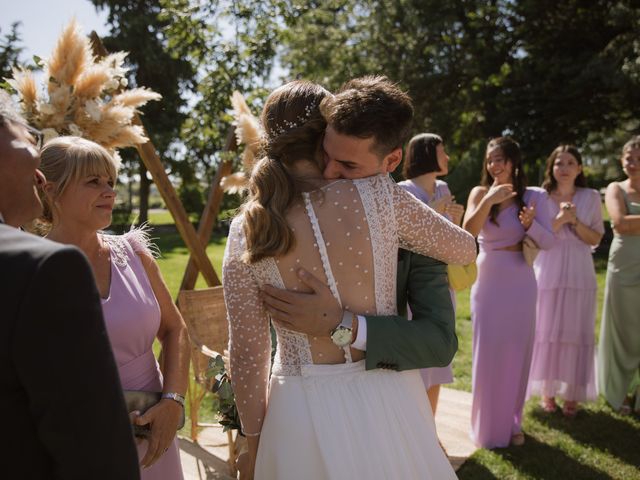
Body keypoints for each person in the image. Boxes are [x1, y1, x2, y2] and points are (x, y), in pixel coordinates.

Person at [223, 79, 476, 479]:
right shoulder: (380, 197)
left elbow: (248, 354)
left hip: (297, 411)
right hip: (388, 398)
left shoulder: (248, 228)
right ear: (328, 131)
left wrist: (252, 446)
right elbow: (464, 249)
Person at [261, 78, 457, 387]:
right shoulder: (276, 213)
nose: (328, 173)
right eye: (324, 155)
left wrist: (344, 326)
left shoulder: (415, 224)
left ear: (392, 160)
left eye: (348, 165)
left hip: (384, 399)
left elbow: (438, 343)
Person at [0, 93, 139, 478]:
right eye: (29, 143)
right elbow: (92, 448)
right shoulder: (44, 269)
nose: (39, 173)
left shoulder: (132, 253)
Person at [37, 136, 189, 479]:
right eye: (93, 182)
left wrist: (172, 403)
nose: (109, 192)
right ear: (51, 190)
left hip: (153, 437)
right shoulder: (30, 269)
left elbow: (175, 329)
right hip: (78, 443)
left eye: (111, 182)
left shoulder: (134, 253)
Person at [463, 136, 554, 448]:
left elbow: (550, 241)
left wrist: (531, 225)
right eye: (490, 160)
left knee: (518, 350)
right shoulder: (479, 193)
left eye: (500, 159)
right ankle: (487, 427)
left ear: (514, 162)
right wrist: (489, 199)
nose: (494, 165)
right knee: (488, 352)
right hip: (488, 279)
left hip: (521, 279)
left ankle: (514, 423)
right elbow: (466, 233)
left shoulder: (535, 196)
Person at [527, 145, 603, 417]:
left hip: (580, 269)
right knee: (547, 329)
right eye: (559, 163)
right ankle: (548, 392)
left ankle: (572, 394)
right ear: (552, 168)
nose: (565, 168)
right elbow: (537, 236)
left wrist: (576, 221)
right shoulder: (541, 197)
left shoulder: (591, 197)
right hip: (549, 266)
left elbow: (595, 238)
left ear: (580, 168)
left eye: (571, 162)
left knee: (575, 329)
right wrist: (560, 219)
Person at [398, 133, 464, 416]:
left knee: (438, 363)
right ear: (427, 154)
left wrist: (457, 222)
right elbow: (403, 239)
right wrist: (435, 213)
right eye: (442, 151)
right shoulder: (404, 191)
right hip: (413, 289)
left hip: (442, 282)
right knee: (417, 366)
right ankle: (415, 432)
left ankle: (432, 431)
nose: (447, 157)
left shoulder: (444, 188)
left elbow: (450, 239)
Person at [598, 136, 640, 415]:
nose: (633, 164)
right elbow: (620, 223)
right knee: (623, 330)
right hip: (623, 267)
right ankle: (618, 390)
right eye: (629, 158)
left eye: (638, 159)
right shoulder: (616, 188)